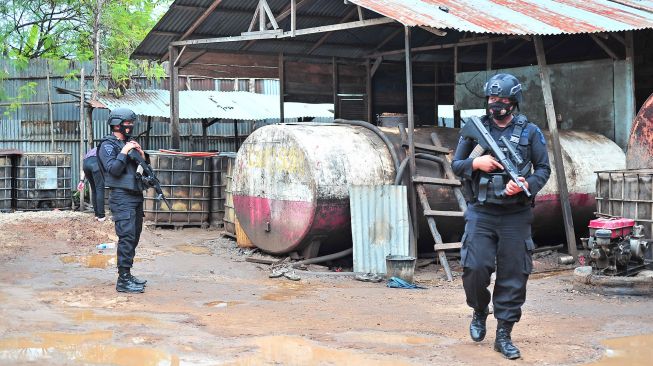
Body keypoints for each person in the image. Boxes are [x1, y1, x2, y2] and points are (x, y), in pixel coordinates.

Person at [451, 73, 551, 360]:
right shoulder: (477, 129)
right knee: (475, 268)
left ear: (513, 101)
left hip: (515, 215)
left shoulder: (530, 132)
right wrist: (476, 162)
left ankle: (504, 334)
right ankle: (479, 309)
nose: (496, 104)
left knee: (514, 274)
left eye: (502, 99)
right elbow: (456, 165)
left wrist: (524, 184)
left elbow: (543, 169)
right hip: (481, 212)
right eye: (492, 99)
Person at [97, 107, 148, 294]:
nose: (130, 126)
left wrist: (142, 156)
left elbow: (141, 170)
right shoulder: (107, 146)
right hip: (121, 197)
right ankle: (123, 280)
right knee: (126, 237)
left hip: (135, 195)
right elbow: (114, 170)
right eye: (127, 123)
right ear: (116, 124)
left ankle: (128, 274)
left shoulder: (129, 143)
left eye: (131, 123)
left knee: (134, 237)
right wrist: (125, 151)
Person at [77, 147, 106, 222]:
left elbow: (84, 168)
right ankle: (101, 216)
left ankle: (96, 215)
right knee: (99, 189)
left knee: (94, 190)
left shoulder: (92, 151)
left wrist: (82, 181)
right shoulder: (107, 148)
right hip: (95, 164)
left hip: (86, 165)